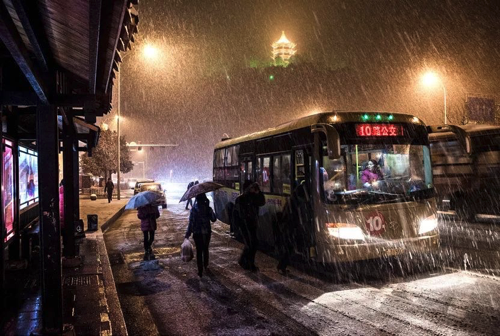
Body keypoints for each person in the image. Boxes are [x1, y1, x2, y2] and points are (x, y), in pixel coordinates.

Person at [232, 180, 265, 271]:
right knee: (251, 244)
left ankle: (244, 261)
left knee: (252, 244)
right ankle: (249, 264)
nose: (252, 189)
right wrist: (237, 227)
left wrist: (259, 192)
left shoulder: (254, 197)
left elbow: (262, 202)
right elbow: (237, 214)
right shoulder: (241, 199)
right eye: (251, 187)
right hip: (245, 225)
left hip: (252, 224)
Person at [185, 193, 217, 277]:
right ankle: (205, 265)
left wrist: (188, 234)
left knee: (199, 251)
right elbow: (214, 219)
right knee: (205, 249)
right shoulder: (208, 208)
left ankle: (200, 270)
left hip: (197, 233)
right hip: (206, 232)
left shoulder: (194, 209)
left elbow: (191, 223)